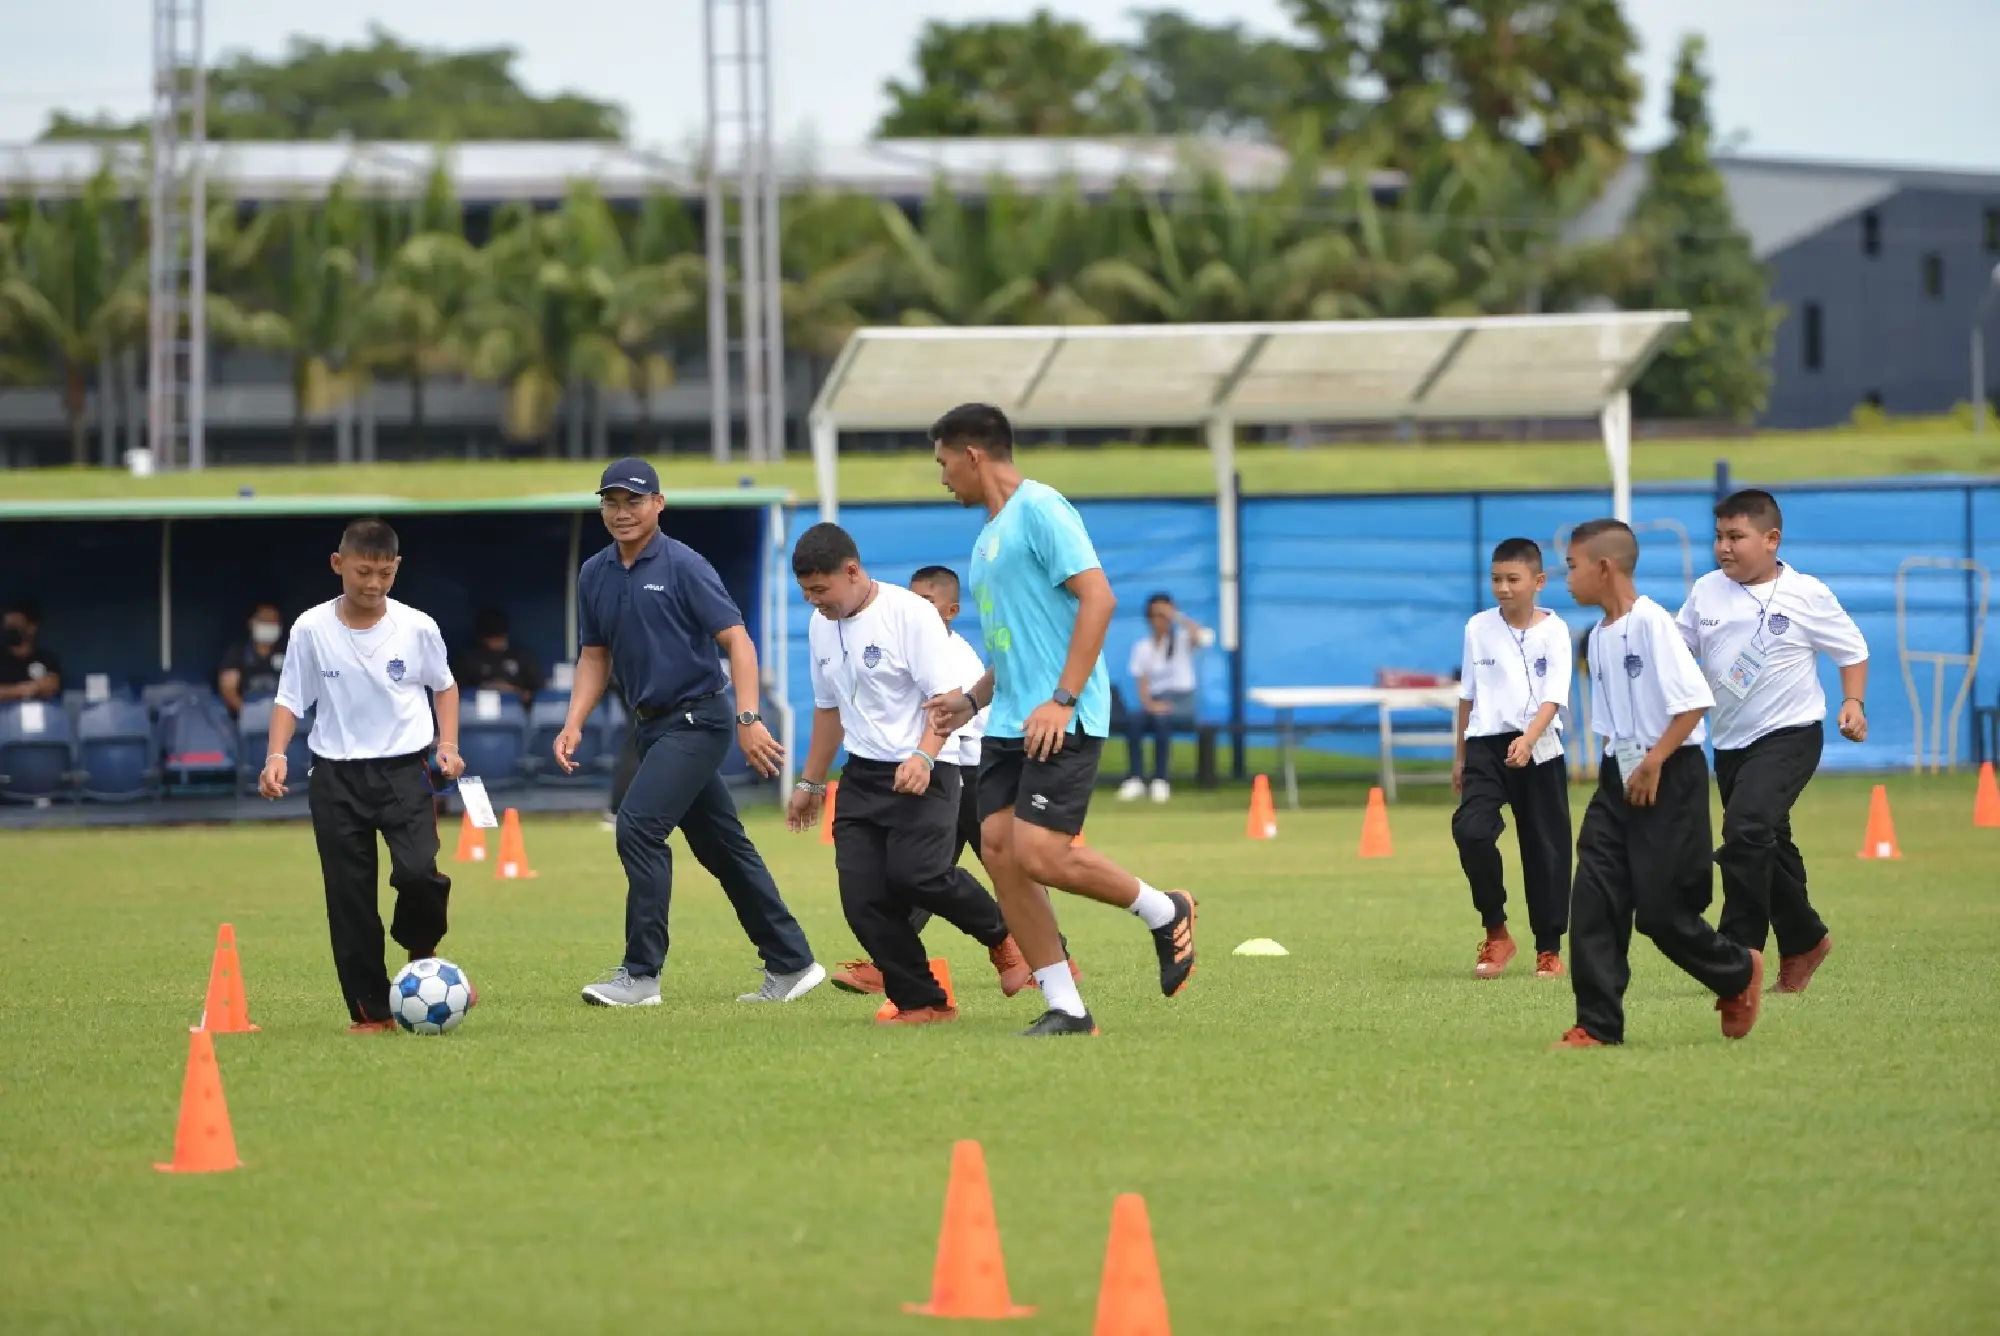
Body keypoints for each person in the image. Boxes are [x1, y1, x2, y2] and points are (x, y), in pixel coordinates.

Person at [923, 403, 1196, 1038]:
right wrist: (972, 699)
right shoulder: (987, 537)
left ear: (973, 455)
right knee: (1000, 854)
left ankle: (1166, 909)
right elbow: (1015, 643)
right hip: (1008, 721)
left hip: (1061, 717)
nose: (941, 479)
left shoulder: (1042, 508)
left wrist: (1064, 698)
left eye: (943, 464)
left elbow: (1099, 598)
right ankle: (1067, 1006)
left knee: (1041, 853)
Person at [555, 457, 824, 1008]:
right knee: (723, 848)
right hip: (650, 726)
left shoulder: (684, 565)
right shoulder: (594, 573)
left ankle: (640, 975)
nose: (622, 512)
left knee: (637, 827)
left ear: (659, 504)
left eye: (634, 501)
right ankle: (792, 962)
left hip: (699, 719)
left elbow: (739, 643)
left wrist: (749, 719)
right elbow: (593, 655)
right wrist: (573, 720)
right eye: (611, 502)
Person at [785, 524, 1031, 1024]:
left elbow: (945, 701)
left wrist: (922, 755)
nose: (814, 602)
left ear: (852, 571)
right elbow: (828, 710)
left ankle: (1006, 936)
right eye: (805, 592)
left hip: (928, 769)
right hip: (862, 776)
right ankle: (924, 1001)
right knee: (862, 898)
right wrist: (810, 783)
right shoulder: (819, 626)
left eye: (820, 590)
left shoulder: (909, 614)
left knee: (919, 875)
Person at [1555, 519, 1763, 1048]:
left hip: (1671, 774)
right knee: (1593, 898)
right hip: (1620, 774)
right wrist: (1627, 769)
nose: (1567, 579)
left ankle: (1736, 972)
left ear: (1604, 568)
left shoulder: (1653, 623)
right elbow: (1614, 723)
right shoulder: (1597, 637)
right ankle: (1597, 1025)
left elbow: (1694, 701)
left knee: (1660, 913)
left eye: (1571, 567)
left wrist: (1653, 762)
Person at [829, 564, 1082, 997]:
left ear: (951, 609)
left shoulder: (954, 653)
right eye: (913, 598)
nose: (916, 607)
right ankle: (891, 961)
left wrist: (924, 758)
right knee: (922, 873)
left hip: (968, 770)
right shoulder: (907, 638)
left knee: (981, 870)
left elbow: (954, 724)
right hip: (947, 768)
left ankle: (1052, 955)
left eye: (927, 601)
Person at [259, 519, 471, 1033]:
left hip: (405, 770)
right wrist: (276, 755)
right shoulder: (310, 628)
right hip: (336, 778)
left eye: (383, 573)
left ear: (396, 568)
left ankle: (423, 953)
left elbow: (444, 686)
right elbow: (291, 697)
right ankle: (371, 1012)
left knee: (419, 872)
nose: (373, 584)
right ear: (338, 565)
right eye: (362, 573)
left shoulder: (417, 626)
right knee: (349, 898)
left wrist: (448, 745)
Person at [1676, 489, 1868, 994]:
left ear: (1771, 538)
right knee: (1768, 843)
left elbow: (1852, 650)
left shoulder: (1807, 593)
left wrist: (1854, 703)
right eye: (1718, 536)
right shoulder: (1706, 592)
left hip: (1791, 734)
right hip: (1731, 743)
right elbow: (1678, 654)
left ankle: (1737, 953)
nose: (1723, 547)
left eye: (1735, 536)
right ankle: (1804, 939)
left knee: (1745, 830)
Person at [1450, 538, 1574, 981]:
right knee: (1471, 830)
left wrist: (1529, 739)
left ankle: (1549, 948)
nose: (1502, 588)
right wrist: (1461, 755)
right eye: (1496, 579)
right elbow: (1468, 696)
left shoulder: (1555, 630)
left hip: (1539, 746)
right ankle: (1497, 932)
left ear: (1538, 582)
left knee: (1547, 848)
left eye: (1512, 579)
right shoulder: (1477, 628)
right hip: (1486, 745)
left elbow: (1555, 696)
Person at [1117, 593, 1214, 804]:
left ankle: (1161, 779)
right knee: (1134, 721)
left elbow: (1204, 637)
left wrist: (1175, 615)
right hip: (1156, 700)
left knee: (1162, 720)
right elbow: (1141, 683)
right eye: (1155, 615)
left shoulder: (1182, 640)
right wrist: (1150, 704)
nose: (1160, 620)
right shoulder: (1142, 647)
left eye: (1163, 616)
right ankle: (1135, 777)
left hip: (1182, 701)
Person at [457, 607, 544, 708]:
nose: (495, 643)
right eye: (491, 639)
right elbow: (456, 692)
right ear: (482, 638)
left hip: (515, 714)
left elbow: (538, 692)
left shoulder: (523, 657)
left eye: (499, 638)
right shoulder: (468, 658)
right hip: (476, 714)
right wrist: (486, 688)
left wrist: (515, 692)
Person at [217, 601, 288, 715]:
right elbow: (228, 689)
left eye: (273, 621)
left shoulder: (289, 652)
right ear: (251, 623)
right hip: (248, 712)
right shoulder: (237, 652)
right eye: (264, 620)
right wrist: (249, 713)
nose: (268, 624)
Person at [0, 598, 62, 702]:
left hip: (35, 714)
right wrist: (27, 689)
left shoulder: (45, 658)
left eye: (15, 627)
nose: (10, 632)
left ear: (31, 628)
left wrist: (8, 692)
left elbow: (51, 686)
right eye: (8, 627)